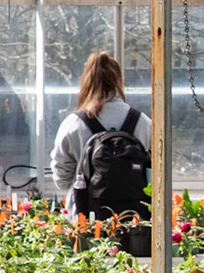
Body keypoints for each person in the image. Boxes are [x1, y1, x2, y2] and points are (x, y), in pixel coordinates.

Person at [50, 51, 154, 214]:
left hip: (86, 220)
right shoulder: (143, 122)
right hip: (134, 222)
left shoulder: (73, 124)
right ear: (120, 82)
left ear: (85, 83)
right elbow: (154, 175)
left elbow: (61, 179)